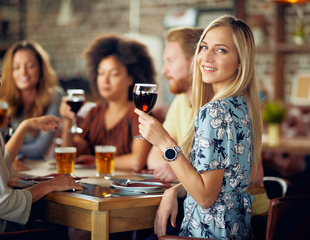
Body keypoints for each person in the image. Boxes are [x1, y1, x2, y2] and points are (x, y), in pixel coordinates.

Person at [135, 15, 262, 239]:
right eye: (204, 47)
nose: (206, 57)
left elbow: (205, 197)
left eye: (221, 50)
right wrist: (175, 189)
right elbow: (221, 183)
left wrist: (165, 142)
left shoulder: (213, 111)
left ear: (240, 61)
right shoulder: (243, 106)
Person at [0, 44, 83, 234]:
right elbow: (2, 204)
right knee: (59, 230)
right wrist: (50, 185)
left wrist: (25, 127)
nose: (1, 82)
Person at [60, 34, 156, 172]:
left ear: (131, 78)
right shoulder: (96, 111)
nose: (105, 80)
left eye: (114, 74)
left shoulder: (139, 113)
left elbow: (136, 162)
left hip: (129, 187)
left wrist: (95, 160)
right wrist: (68, 121)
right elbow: (70, 154)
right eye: (101, 73)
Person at [147, 27, 203, 183]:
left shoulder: (218, 106)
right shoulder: (181, 101)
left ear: (195, 62)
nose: (164, 70)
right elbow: (154, 158)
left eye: (170, 61)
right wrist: (181, 170)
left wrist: (179, 171)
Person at [0, 40, 64, 160]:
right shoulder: (0, 99)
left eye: (30, 66)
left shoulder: (54, 96)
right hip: (8, 168)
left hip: (37, 168)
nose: (23, 72)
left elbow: (39, 149)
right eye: (16, 67)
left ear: (41, 69)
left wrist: (7, 150)